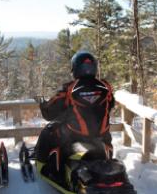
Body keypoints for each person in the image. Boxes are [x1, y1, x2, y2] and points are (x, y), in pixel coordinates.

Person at [35, 50, 115, 183]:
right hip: (102, 137)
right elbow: (111, 104)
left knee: (48, 131)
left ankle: (43, 166)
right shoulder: (105, 86)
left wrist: (43, 105)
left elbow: (49, 112)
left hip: (75, 136)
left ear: (75, 68)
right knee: (106, 136)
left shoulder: (69, 88)